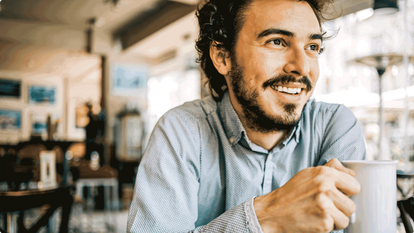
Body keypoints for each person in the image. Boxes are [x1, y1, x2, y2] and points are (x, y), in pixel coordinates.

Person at [127, 0, 366, 232]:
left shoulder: (335, 126)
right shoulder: (181, 132)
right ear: (223, 57)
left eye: (312, 47)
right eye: (277, 42)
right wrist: (268, 214)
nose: (302, 67)